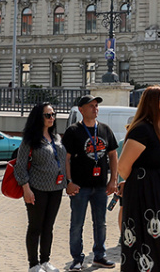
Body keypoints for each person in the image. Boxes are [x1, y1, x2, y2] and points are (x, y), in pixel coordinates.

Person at [119, 86, 160, 272]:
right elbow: (124, 166)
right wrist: (139, 182)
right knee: (147, 243)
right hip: (146, 195)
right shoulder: (142, 130)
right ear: (151, 103)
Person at [63, 95, 119, 270]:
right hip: (80, 186)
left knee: (100, 223)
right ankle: (77, 258)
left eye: (96, 106)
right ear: (81, 110)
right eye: (91, 106)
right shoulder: (73, 131)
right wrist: (69, 182)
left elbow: (113, 155)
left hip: (101, 186)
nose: (95, 108)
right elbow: (66, 158)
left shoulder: (104, 129)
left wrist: (113, 180)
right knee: (77, 223)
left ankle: (99, 256)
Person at [15, 103, 68, 272]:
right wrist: (26, 189)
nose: (52, 118)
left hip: (56, 189)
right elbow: (20, 166)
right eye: (47, 115)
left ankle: (45, 261)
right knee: (35, 226)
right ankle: (33, 264)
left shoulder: (56, 137)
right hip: (37, 189)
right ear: (39, 117)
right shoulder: (30, 140)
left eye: (53, 114)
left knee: (48, 227)